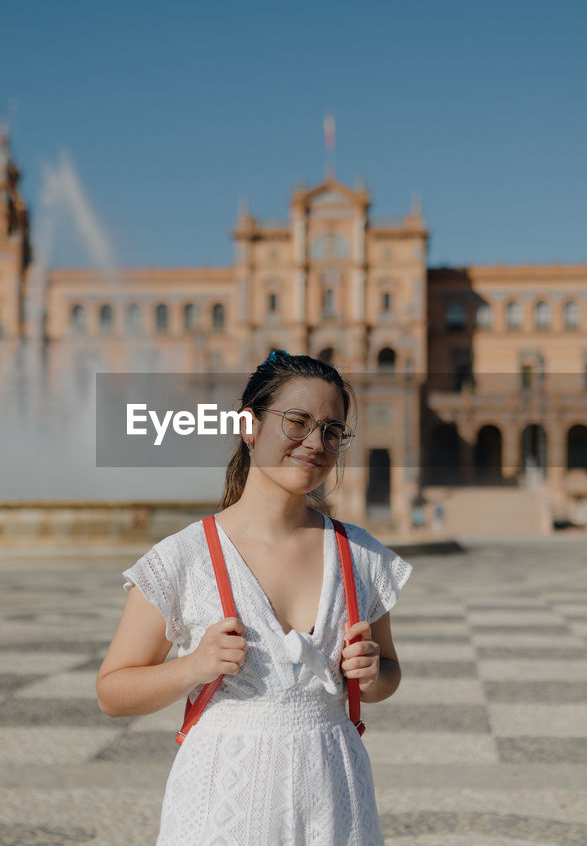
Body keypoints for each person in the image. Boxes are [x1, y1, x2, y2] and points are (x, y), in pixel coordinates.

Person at [97, 350, 411, 844]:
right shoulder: (185, 557)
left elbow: (388, 673)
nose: (315, 443)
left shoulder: (361, 556)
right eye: (298, 422)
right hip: (222, 805)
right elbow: (112, 693)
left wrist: (373, 676)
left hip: (335, 802)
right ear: (249, 426)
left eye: (332, 430)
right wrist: (194, 666)